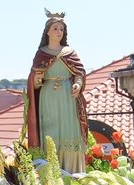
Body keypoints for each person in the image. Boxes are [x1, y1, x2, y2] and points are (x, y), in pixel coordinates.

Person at [26, 10, 87, 173]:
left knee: (69, 132)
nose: (59, 32)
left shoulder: (70, 53)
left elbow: (79, 74)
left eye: (61, 29)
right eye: (55, 28)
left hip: (68, 97)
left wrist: (78, 85)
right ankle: (51, 173)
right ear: (47, 32)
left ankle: (73, 172)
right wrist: (37, 79)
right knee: (50, 134)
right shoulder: (41, 54)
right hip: (48, 99)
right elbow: (35, 85)